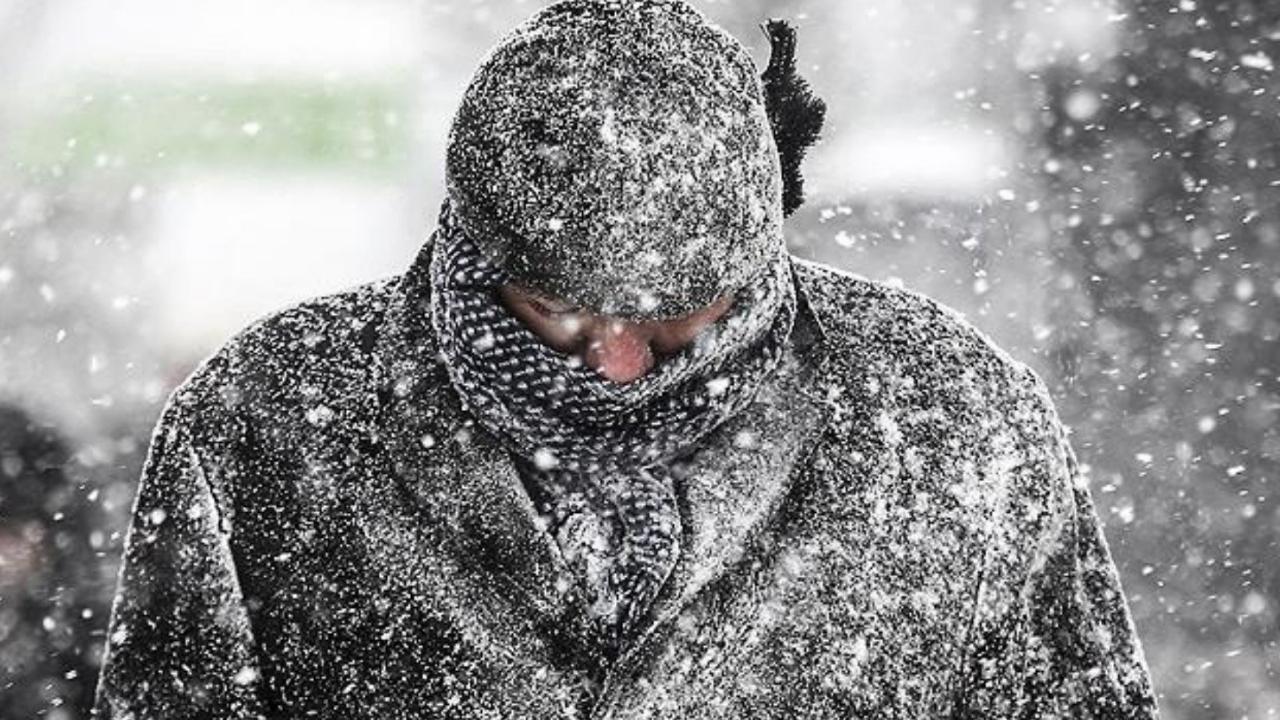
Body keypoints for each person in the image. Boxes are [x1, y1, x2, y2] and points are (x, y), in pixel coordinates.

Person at [92, 0, 1160, 717]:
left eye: (676, 319)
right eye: (554, 312)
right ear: (473, 245)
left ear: (761, 245)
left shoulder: (946, 418)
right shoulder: (265, 420)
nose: (614, 365)